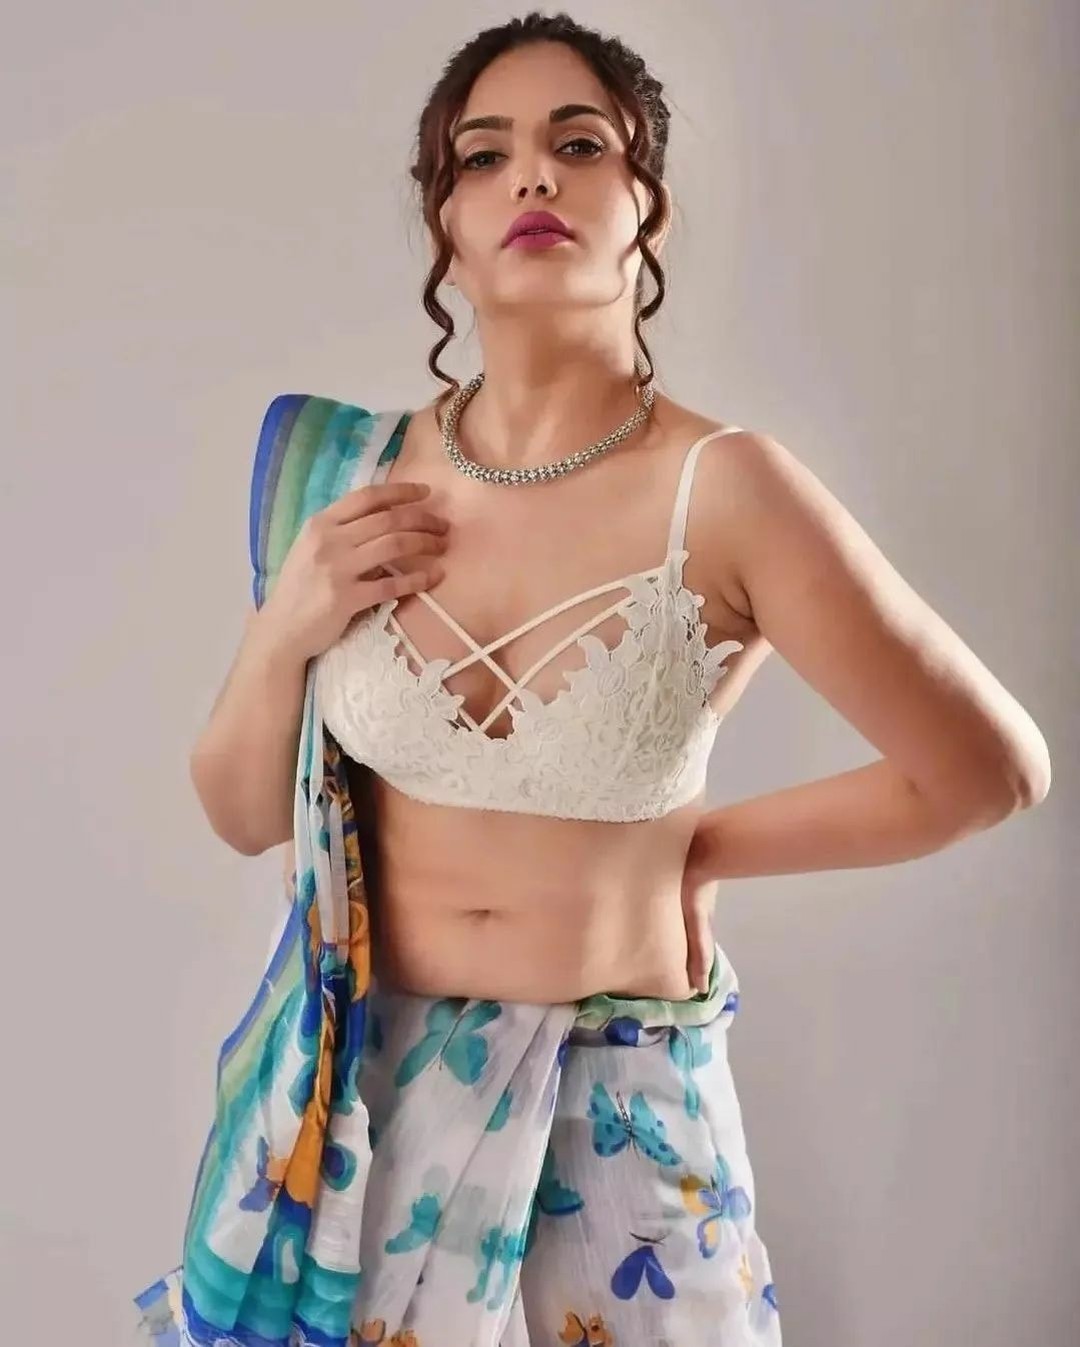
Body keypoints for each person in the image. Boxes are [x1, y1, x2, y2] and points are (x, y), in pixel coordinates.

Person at [135, 12, 1052, 1347]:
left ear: (648, 205)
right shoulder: (349, 480)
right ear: (445, 222)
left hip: (621, 1116)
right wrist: (291, 625)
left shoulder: (726, 491)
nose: (533, 176)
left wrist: (694, 847)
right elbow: (241, 814)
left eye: (579, 145)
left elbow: (986, 773)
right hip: (368, 1113)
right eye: (484, 155)